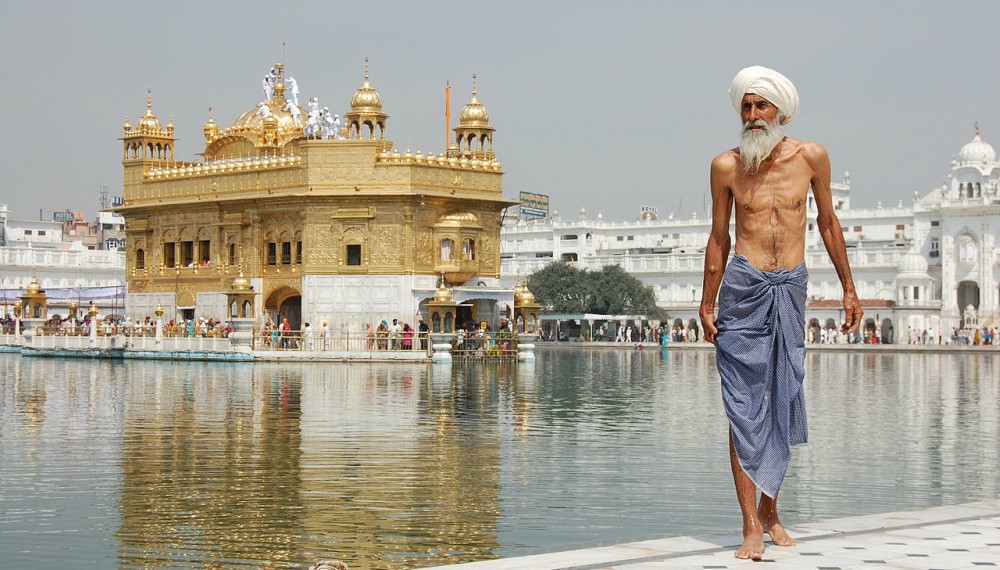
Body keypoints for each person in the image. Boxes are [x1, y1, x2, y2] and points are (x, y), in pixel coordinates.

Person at [699, 66, 862, 561]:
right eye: (745, 107)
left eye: (760, 106)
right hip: (743, 290)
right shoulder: (726, 166)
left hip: (790, 288)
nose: (752, 116)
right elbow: (719, 238)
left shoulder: (810, 158)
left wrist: (850, 289)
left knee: (783, 399)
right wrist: (705, 301)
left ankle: (772, 509)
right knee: (743, 408)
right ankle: (750, 524)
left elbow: (829, 224)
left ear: (780, 111)